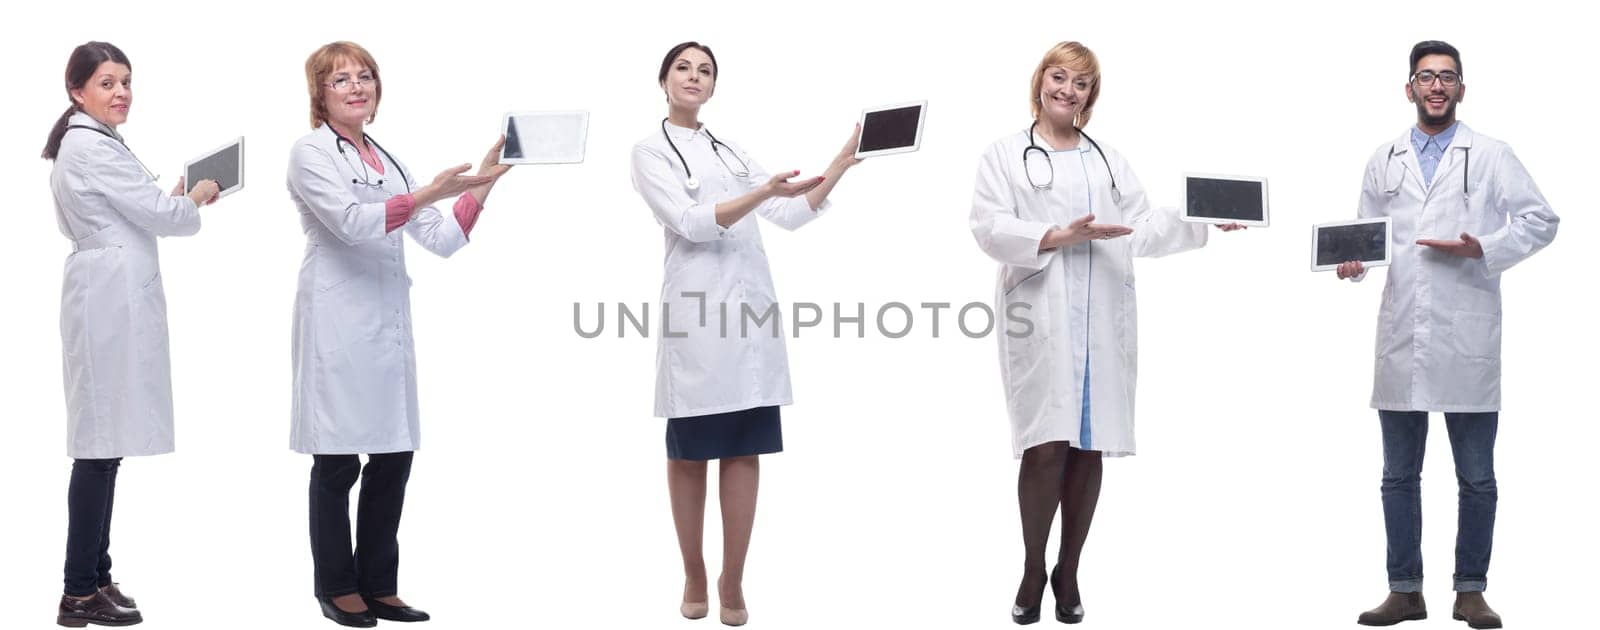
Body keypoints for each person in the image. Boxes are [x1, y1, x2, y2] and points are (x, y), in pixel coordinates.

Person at [968, 41, 1241, 626]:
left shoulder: (1108, 159)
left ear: (1092, 95)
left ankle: (1069, 570)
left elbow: (1139, 228)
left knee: (1089, 445)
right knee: (1045, 445)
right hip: (1043, 314)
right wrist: (1054, 237)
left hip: (1102, 317)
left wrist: (1200, 219)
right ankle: (1032, 566)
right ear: (1040, 80)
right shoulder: (1005, 155)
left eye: (1082, 83)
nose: (1068, 90)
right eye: (1059, 77)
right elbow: (989, 228)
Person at [629, 41, 862, 627]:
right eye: (683, 67)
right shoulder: (648, 151)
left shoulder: (730, 148)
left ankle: (733, 576)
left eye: (705, 71)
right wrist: (761, 192)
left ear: (713, 87)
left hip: (749, 321)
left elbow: (787, 212)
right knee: (689, 455)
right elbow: (690, 224)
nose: (694, 76)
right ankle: (694, 571)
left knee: (743, 448)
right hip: (696, 321)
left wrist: (839, 164)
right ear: (663, 80)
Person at [286, 41, 511, 628]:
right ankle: (336, 587)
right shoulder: (310, 153)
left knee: (392, 457)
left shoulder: (389, 159)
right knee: (337, 464)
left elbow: (438, 238)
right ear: (320, 93)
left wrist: (481, 185)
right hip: (336, 319)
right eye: (341, 80)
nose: (357, 87)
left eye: (365, 77)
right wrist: (425, 195)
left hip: (385, 324)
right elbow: (350, 222)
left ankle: (379, 584)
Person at [1340, 40, 1558, 630]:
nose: (1436, 86)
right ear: (1408, 88)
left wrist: (1483, 247)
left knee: (1477, 477)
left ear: (1462, 88)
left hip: (1467, 337)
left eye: (1447, 77)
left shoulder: (1490, 154)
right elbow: (1368, 236)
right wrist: (1355, 263)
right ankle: (1405, 590)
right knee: (1397, 476)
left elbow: (1542, 220)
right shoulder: (1383, 158)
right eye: (1426, 77)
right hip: (1403, 333)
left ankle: (1470, 592)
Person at [44, 40, 222, 628]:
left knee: (106, 444)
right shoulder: (92, 147)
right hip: (108, 300)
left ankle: (95, 575)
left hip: (109, 294)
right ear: (78, 91)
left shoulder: (93, 142)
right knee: (97, 448)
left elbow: (140, 210)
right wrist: (194, 199)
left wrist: (165, 203)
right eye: (106, 83)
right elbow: (168, 221)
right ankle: (77, 590)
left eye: (125, 81)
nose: (120, 93)